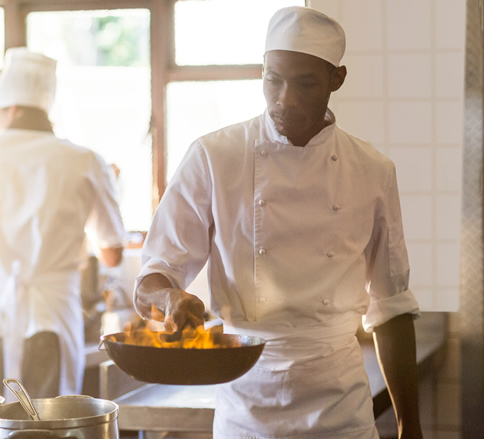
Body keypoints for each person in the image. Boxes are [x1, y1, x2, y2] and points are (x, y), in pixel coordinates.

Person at [134, 6, 422, 439]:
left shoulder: (373, 170)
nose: (285, 98)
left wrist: (409, 425)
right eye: (273, 80)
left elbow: (392, 307)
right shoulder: (215, 156)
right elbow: (153, 279)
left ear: (336, 80)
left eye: (305, 83)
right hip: (246, 401)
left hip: (340, 405)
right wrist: (170, 299)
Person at [0, 47, 126, 409]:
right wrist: (113, 188)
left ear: (10, 109)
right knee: (45, 426)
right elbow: (112, 253)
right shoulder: (85, 160)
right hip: (51, 316)